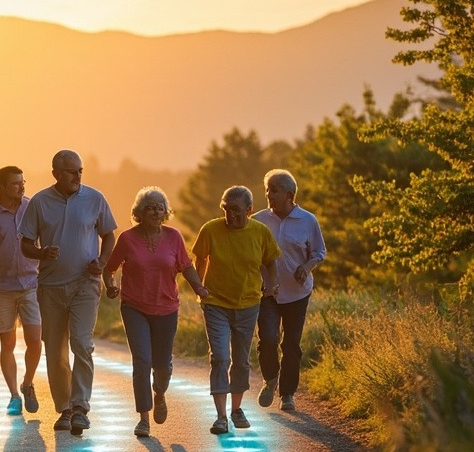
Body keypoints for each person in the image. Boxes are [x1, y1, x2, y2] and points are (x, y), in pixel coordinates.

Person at [19, 150, 117, 436]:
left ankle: (81, 407)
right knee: (56, 349)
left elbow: (109, 234)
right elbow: (26, 242)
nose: (78, 176)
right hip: (50, 286)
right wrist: (40, 252)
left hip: (85, 284)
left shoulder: (95, 198)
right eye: (72, 171)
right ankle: (64, 409)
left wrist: (102, 261)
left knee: (82, 343)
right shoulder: (39, 202)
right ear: (56, 174)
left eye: (80, 171)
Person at [103, 187, 208, 438]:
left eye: (159, 207)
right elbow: (109, 269)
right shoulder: (127, 239)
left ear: (165, 212)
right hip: (134, 306)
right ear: (139, 212)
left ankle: (159, 393)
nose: (154, 211)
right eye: (149, 207)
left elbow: (186, 266)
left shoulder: (174, 237)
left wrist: (200, 287)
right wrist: (111, 285)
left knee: (162, 365)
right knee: (142, 362)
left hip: (166, 307)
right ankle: (143, 419)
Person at [191, 185, 281, 435]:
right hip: (216, 303)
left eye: (236, 210)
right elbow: (200, 258)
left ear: (249, 210)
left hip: (249, 303)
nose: (230, 215)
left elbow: (271, 261)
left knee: (240, 360)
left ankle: (237, 409)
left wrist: (272, 287)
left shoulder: (260, 232)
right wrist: (199, 286)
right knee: (220, 357)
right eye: (226, 209)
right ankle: (221, 417)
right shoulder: (210, 229)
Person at [254, 169, 326, 412]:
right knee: (268, 340)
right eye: (267, 189)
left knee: (291, 344)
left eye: (274, 190)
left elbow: (319, 252)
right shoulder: (259, 220)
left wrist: (306, 267)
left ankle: (287, 394)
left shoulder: (308, 221)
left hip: (297, 293)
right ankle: (270, 379)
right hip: (267, 292)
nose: (269, 194)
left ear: (290, 194)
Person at [0, 166, 43, 417]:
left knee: (35, 340)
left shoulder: (32, 207)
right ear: (1, 187)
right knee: (8, 342)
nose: (21, 187)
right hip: (2, 288)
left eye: (22, 182)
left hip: (31, 284)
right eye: (15, 184)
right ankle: (14, 395)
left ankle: (28, 383)